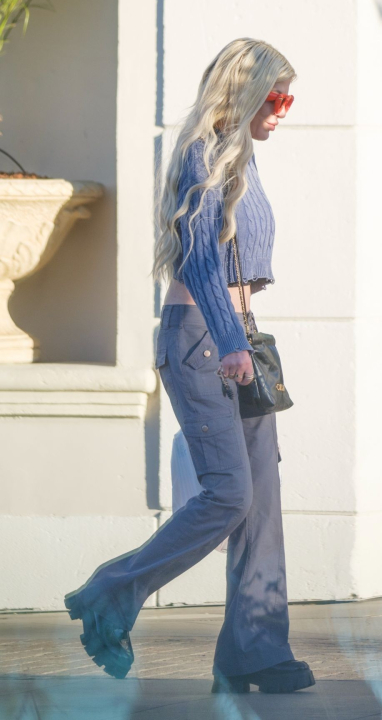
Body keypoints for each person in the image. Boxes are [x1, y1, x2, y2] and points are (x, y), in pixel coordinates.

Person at [64, 37, 316, 695]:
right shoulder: (202, 154)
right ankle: (110, 593)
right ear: (245, 89)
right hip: (206, 340)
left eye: (290, 98)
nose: (284, 110)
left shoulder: (244, 158)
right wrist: (232, 340)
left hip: (241, 339)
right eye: (277, 95)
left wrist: (243, 337)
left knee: (261, 503)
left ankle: (253, 652)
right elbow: (201, 261)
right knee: (229, 493)